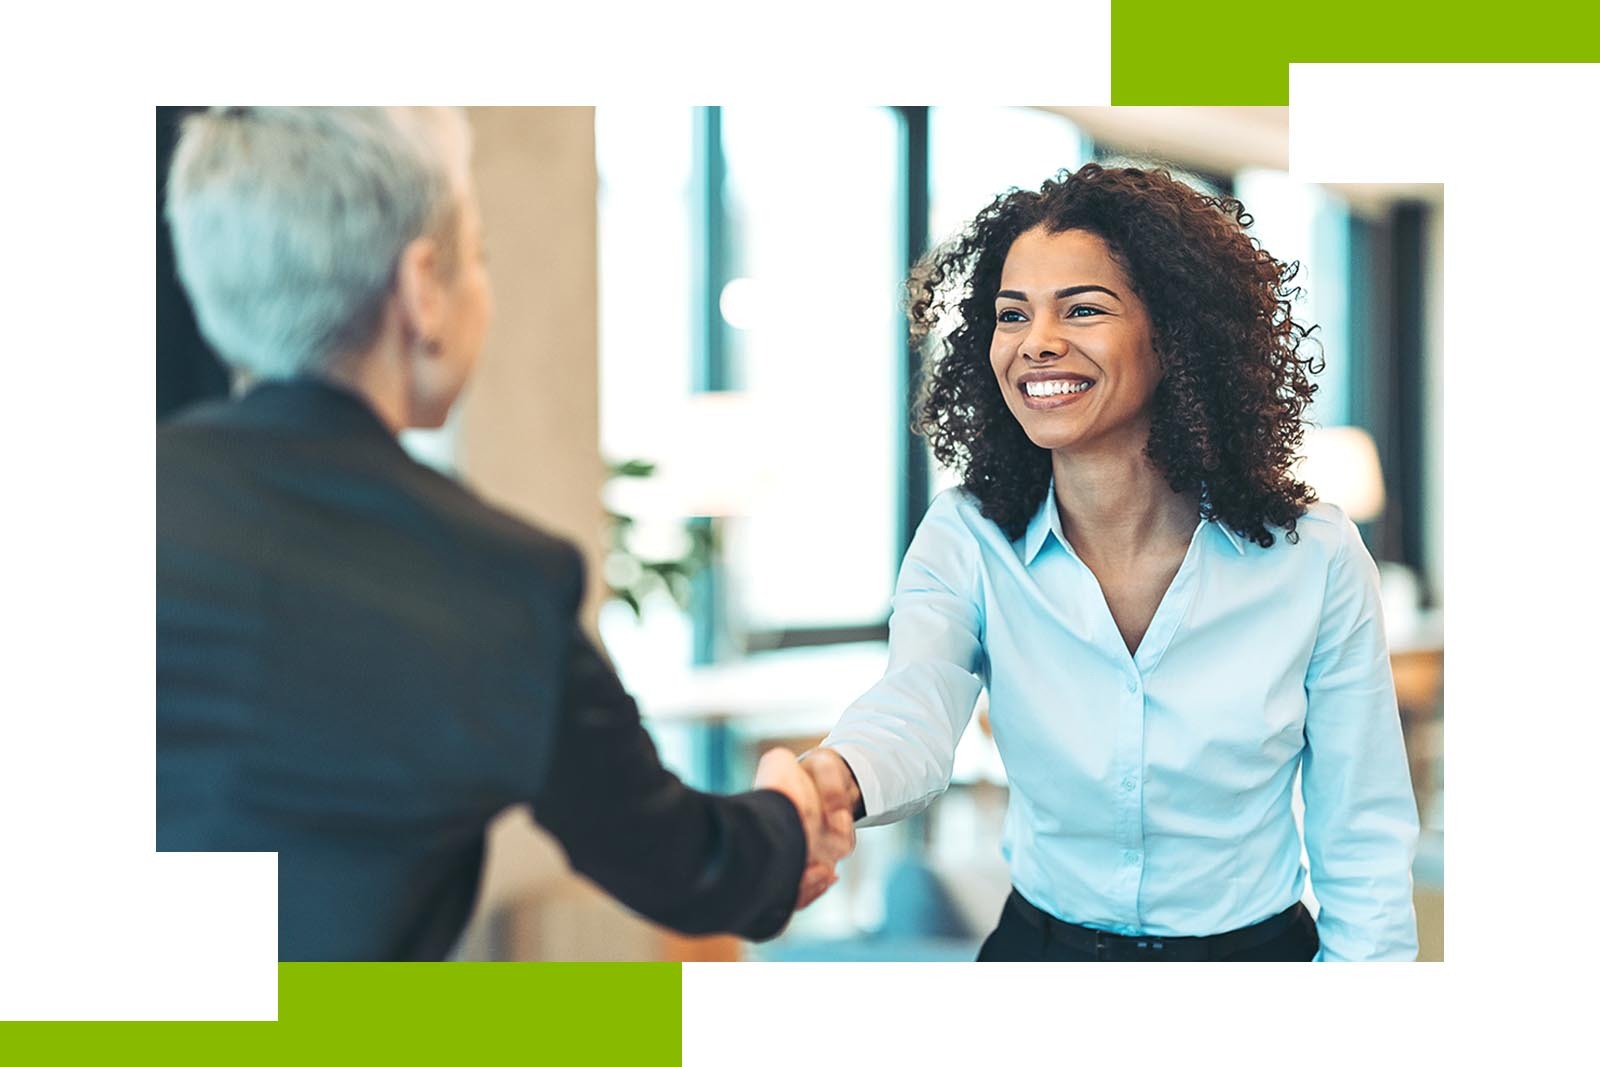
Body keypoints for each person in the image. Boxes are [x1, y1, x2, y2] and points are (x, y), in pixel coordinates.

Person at [157, 107, 847, 961]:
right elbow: (686, 863)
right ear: (422, 290)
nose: (482, 281)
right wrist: (787, 813)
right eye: (476, 254)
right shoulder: (493, 580)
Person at [796, 164, 1420, 961]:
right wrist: (834, 778)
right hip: (1041, 955)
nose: (1038, 342)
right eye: (1011, 314)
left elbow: (1362, 835)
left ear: (1175, 334)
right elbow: (915, 704)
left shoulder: (1315, 557)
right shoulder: (967, 537)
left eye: (1083, 309)